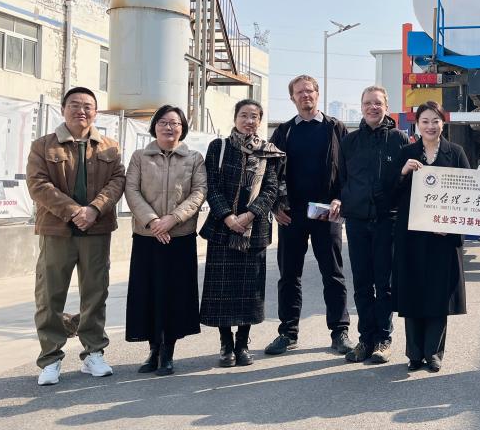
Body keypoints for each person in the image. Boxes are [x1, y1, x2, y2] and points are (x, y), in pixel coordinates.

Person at [27, 86, 126, 386]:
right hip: (57, 229)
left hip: (97, 229)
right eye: (74, 105)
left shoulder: (110, 147)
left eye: (87, 106)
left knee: (95, 293)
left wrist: (94, 209)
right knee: (50, 295)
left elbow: (117, 181)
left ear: (95, 112)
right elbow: (38, 184)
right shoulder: (43, 146)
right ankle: (50, 358)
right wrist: (74, 211)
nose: (81, 110)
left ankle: (94, 352)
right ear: (63, 109)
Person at [265, 75, 354, 356]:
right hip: (291, 214)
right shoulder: (284, 131)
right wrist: (275, 205)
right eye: (299, 92)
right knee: (289, 275)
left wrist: (341, 198)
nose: (305, 95)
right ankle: (288, 332)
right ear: (292, 98)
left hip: (326, 212)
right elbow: (269, 172)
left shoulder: (335, 128)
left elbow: (349, 168)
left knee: (333, 274)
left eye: (309, 91)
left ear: (318, 94)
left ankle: (340, 332)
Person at [124, 105, 207, 376]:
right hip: (147, 237)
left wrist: (173, 219)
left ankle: (168, 351)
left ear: (182, 128)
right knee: (147, 293)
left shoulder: (194, 158)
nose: (169, 127)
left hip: (179, 237)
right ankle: (153, 350)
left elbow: (199, 192)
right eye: (163, 122)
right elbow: (131, 190)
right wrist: (152, 221)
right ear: (154, 127)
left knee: (174, 295)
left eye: (174, 123)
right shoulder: (139, 157)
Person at [199, 99, 284, 368]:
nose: (249, 121)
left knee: (249, 292)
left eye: (254, 116)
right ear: (235, 118)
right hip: (222, 229)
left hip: (254, 230)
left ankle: (243, 343)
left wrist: (249, 215)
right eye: (244, 115)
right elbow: (211, 185)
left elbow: (271, 189)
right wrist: (228, 216)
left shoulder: (268, 152)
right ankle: (226, 344)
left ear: (260, 120)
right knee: (222, 292)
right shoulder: (219, 147)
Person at [393, 101, 470, 372]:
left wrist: (451, 225)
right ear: (417, 125)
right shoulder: (406, 153)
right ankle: (414, 354)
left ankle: (434, 353)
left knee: (438, 294)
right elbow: (389, 194)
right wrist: (402, 173)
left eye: (435, 121)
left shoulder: (455, 152)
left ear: (443, 123)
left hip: (443, 237)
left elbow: (469, 193)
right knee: (413, 292)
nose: (430, 126)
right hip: (412, 236)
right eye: (425, 121)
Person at [337, 86, 409, 364]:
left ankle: (383, 339)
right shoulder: (350, 141)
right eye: (367, 103)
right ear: (361, 106)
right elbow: (342, 178)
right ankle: (365, 339)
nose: (372, 107)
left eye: (377, 103)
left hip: (386, 221)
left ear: (386, 106)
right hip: (357, 221)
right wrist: (345, 201)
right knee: (362, 284)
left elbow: (406, 181)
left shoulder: (399, 139)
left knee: (384, 284)